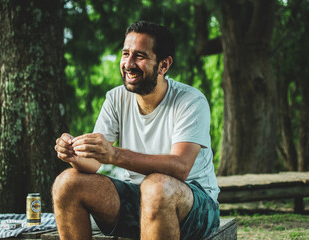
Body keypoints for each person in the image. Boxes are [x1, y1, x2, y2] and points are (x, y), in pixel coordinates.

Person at [52, 20, 220, 240]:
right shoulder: (115, 99)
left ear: (164, 65)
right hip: (138, 198)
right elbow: (93, 163)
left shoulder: (190, 101)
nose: (129, 64)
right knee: (67, 183)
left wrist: (114, 154)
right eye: (125, 54)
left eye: (140, 56)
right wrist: (73, 155)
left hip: (193, 205)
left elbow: (180, 167)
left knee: (156, 186)